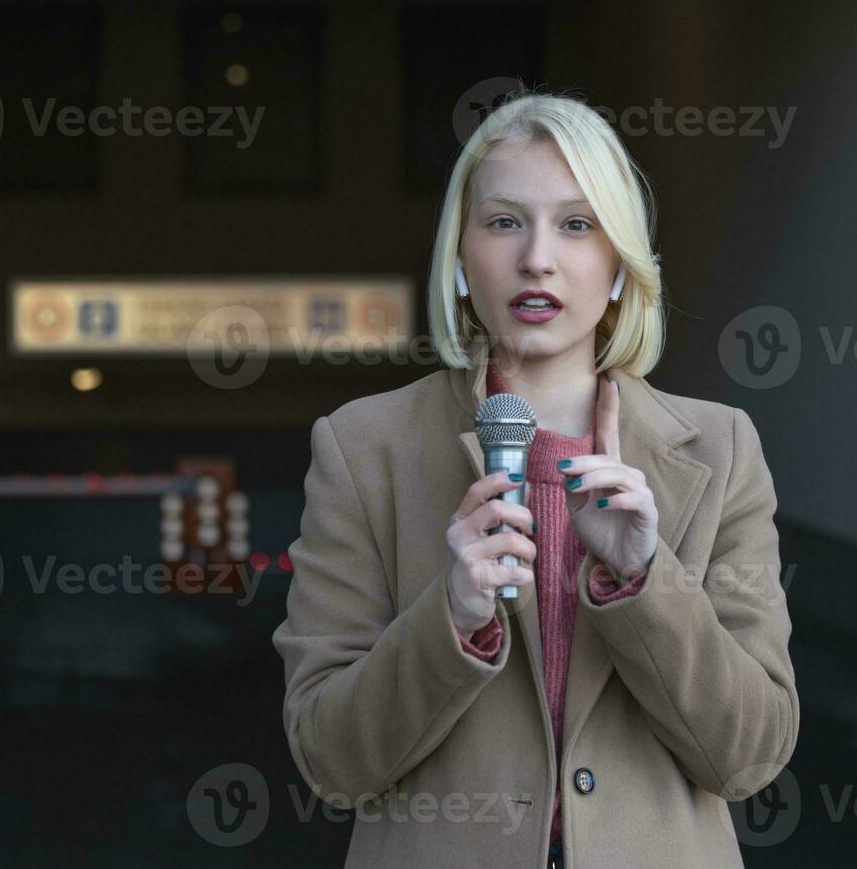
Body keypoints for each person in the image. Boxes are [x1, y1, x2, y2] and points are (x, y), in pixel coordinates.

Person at [273, 91, 798, 868]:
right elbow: (331, 762)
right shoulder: (362, 449)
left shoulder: (720, 450)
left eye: (577, 225)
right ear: (459, 256)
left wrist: (643, 581)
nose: (538, 258)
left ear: (620, 266)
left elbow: (748, 757)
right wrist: (449, 614)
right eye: (504, 221)